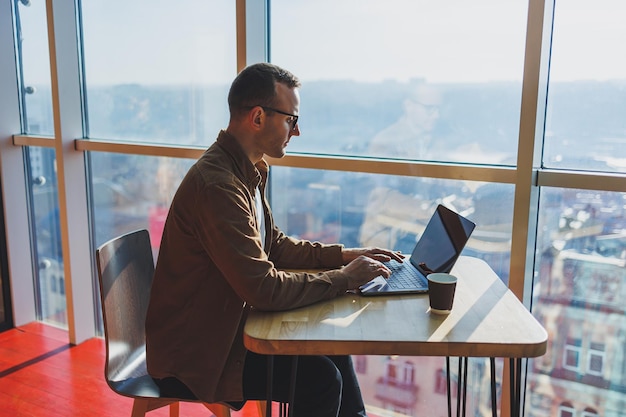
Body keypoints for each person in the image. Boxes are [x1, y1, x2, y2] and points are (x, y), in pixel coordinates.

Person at [145, 62, 403, 417]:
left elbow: (274, 245)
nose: (296, 132)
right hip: (197, 351)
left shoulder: (243, 170)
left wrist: (344, 256)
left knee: (331, 348)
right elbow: (263, 290)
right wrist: (345, 279)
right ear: (257, 117)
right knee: (321, 379)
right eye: (291, 120)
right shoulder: (219, 185)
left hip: (219, 327)